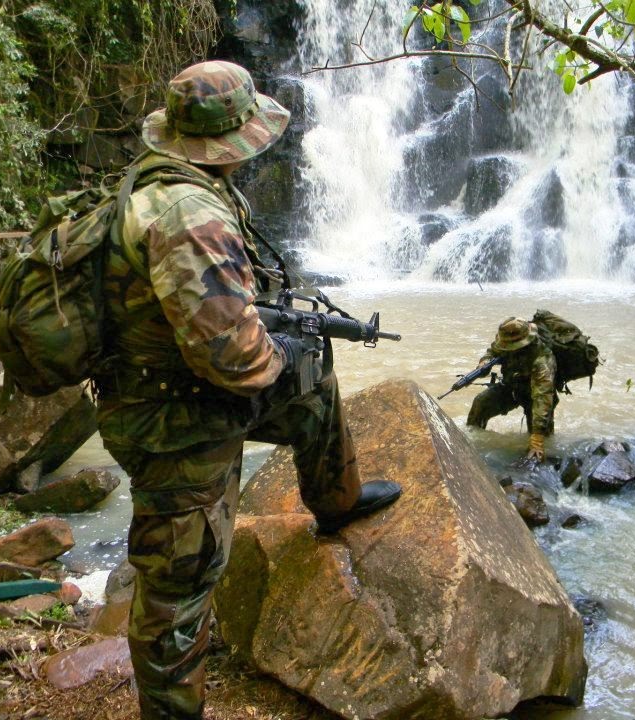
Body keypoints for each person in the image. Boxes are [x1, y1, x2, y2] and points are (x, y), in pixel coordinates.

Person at [92, 60, 402, 720]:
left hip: (176, 386)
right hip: (169, 417)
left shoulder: (173, 182)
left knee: (315, 382)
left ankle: (336, 501)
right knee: (181, 585)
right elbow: (234, 359)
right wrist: (283, 350)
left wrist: (294, 346)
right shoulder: (189, 214)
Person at [466, 316, 559, 463]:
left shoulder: (542, 359)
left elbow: (543, 398)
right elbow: (492, 351)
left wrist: (537, 439)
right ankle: (468, 446)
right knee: (481, 403)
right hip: (511, 386)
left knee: (540, 440)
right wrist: (484, 363)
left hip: (535, 396)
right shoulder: (506, 339)